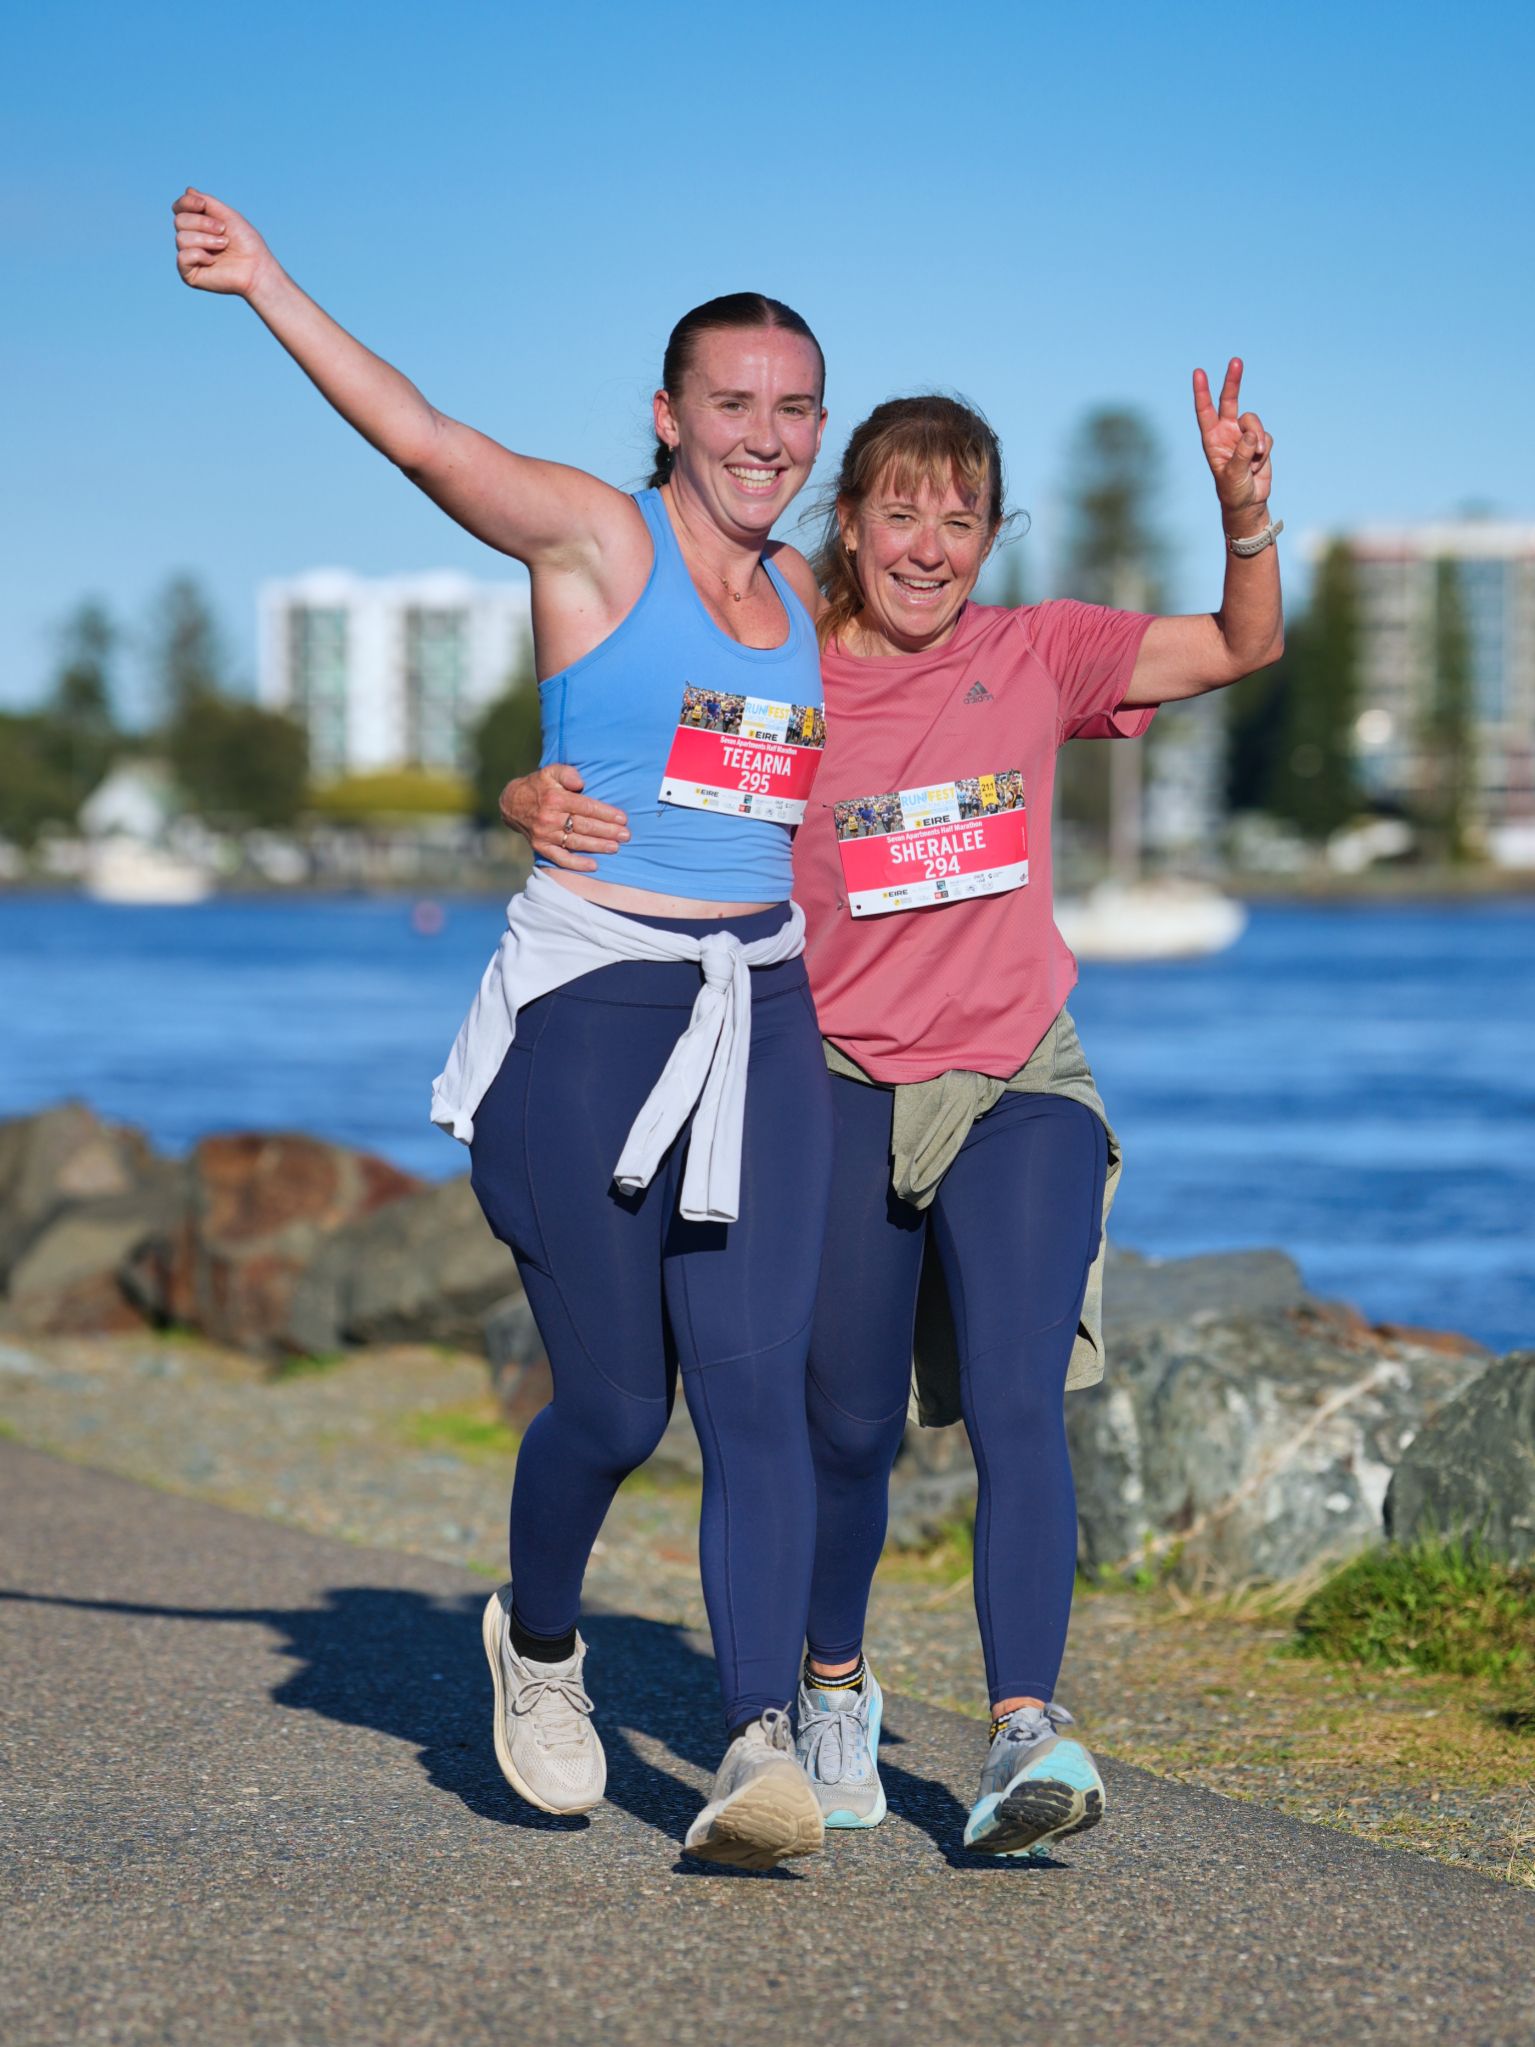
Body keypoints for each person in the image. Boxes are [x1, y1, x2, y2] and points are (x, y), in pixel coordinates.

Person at [506, 367, 1282, 1859]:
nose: (932, 546)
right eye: (902, 513)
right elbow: (630, 788)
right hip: (839, 1081)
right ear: (844, 525)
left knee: (1015, 1404)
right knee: (847, 1429)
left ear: (994, 539)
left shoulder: (1041, 654)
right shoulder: (787, 668)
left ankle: (1023, 1731)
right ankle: (834, 1688)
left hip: (1014, 1082)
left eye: (964, 519)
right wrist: (520, 800)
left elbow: (1248, 642)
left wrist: (1246, 517)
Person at [171, 188, 837, 1870]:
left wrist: (1241, 554)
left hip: (760, 1005)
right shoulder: (595, 538)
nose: (766, 437)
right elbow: (421, 438)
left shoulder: (817, 595)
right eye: (734, 405)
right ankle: (539, 1649)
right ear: (672, 418)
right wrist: (267, 282)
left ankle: (758, 1744)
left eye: (794, 408)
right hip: (592, 1009)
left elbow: (988, 679)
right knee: (616, 1409)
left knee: (754, 1391)